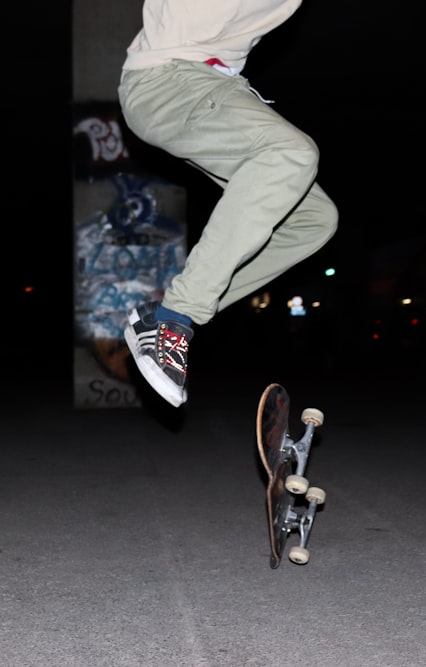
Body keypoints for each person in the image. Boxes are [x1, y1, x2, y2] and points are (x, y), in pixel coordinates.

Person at [118, 0, 338, 407]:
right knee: (291, 152)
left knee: (314, 219)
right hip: (167, 79)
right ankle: (176, 318)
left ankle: (165, 312)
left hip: (212, 89)